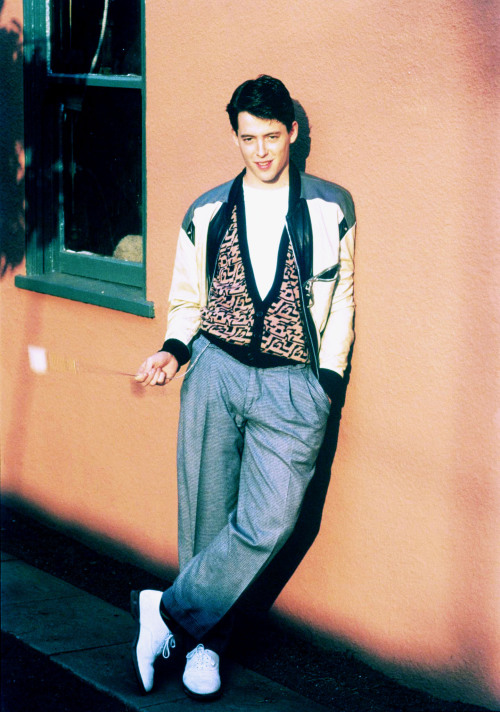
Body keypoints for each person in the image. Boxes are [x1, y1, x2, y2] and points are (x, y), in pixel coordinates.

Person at [132, 74, 356, 700]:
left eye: (272, 137)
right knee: (206, 514)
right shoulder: (205, 211)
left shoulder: (329, 208)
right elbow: (186, 300)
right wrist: (173, 351)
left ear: (292, 134)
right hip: (214, 371)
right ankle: (205, 645)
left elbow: (342, 302)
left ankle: (166, 612)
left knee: (271, 520)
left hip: (292, 384)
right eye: (247, 138)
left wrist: (327, 382)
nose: (260, 151)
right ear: (236, 137)